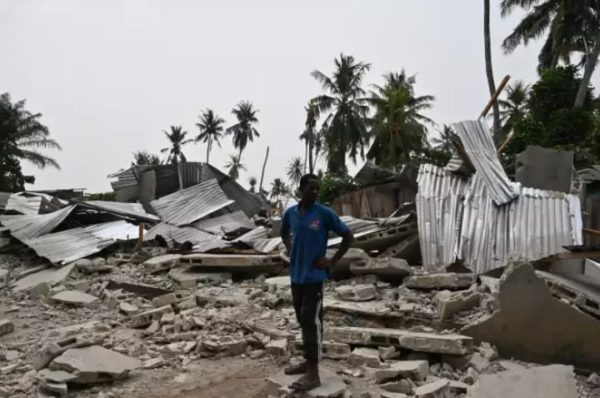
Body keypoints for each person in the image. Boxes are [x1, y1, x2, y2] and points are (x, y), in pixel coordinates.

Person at [280, 173, 354, 391]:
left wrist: (332, 260)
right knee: (302, 320)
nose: (315, 192)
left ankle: (314, 374)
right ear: (301, 189)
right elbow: (284, 232)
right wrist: (290, 249)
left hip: (315, 277)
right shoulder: (291, 213)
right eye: (311, 188)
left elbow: (348, 236)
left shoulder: (324, 213)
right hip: (296, 276)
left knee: (311, 321)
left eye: (317, 189)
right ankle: (308, 361)